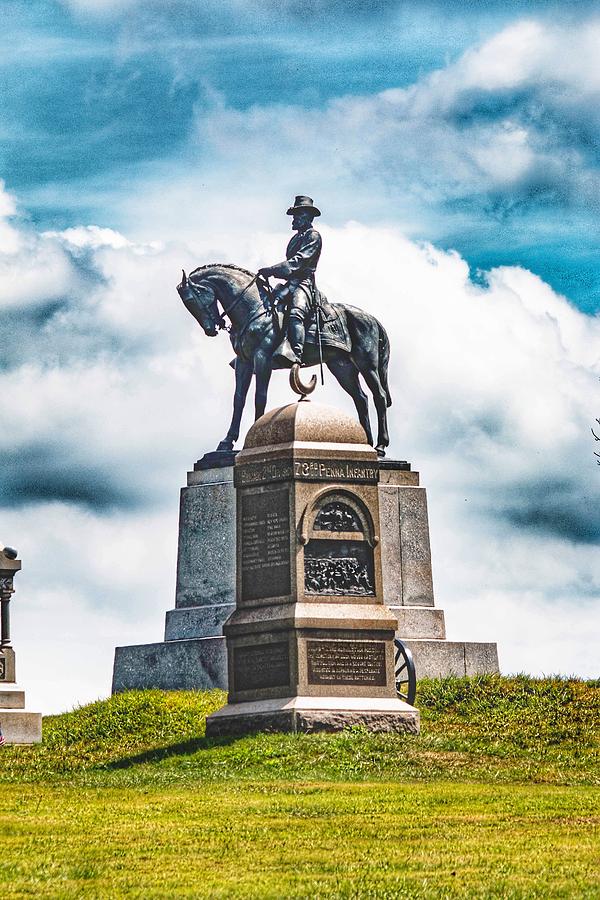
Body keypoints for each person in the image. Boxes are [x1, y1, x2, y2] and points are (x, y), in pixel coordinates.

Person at [258, 195, 322, 366]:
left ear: (308, 217)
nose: (294, 219)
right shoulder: (295, 239)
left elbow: (298, 262)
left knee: (295, 314)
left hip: (304, 284)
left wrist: (272, 270)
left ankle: (297, 354)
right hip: (291, 283)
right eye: (294, 215)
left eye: (298, 215)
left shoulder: (313, 236)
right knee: (267, 305)